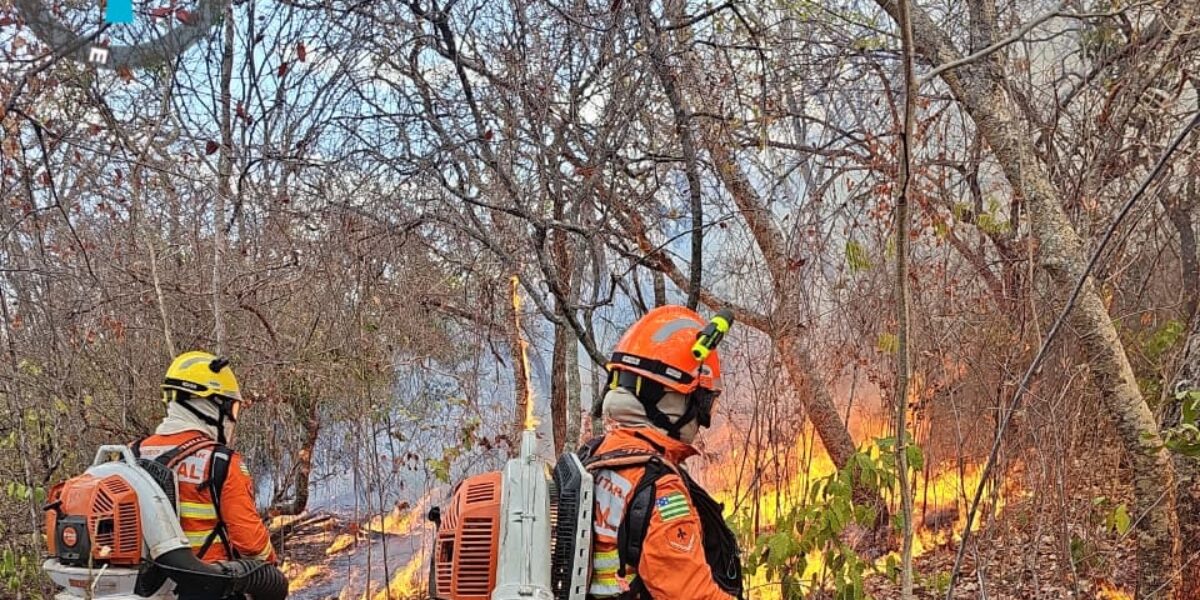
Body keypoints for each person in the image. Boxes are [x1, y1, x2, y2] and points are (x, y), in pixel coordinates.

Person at [582, 306, 743, 600]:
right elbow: (693, 596)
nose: (703, 419)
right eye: (702, 402)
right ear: (671, 400)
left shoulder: (596, 456)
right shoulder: (659, 489)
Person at [132, 351, 276, 564]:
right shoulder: (221, 463)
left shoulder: (130, 455)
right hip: (207, 586)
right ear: (214, 405)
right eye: (232, 408)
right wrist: (273, 575)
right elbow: (252, 545)